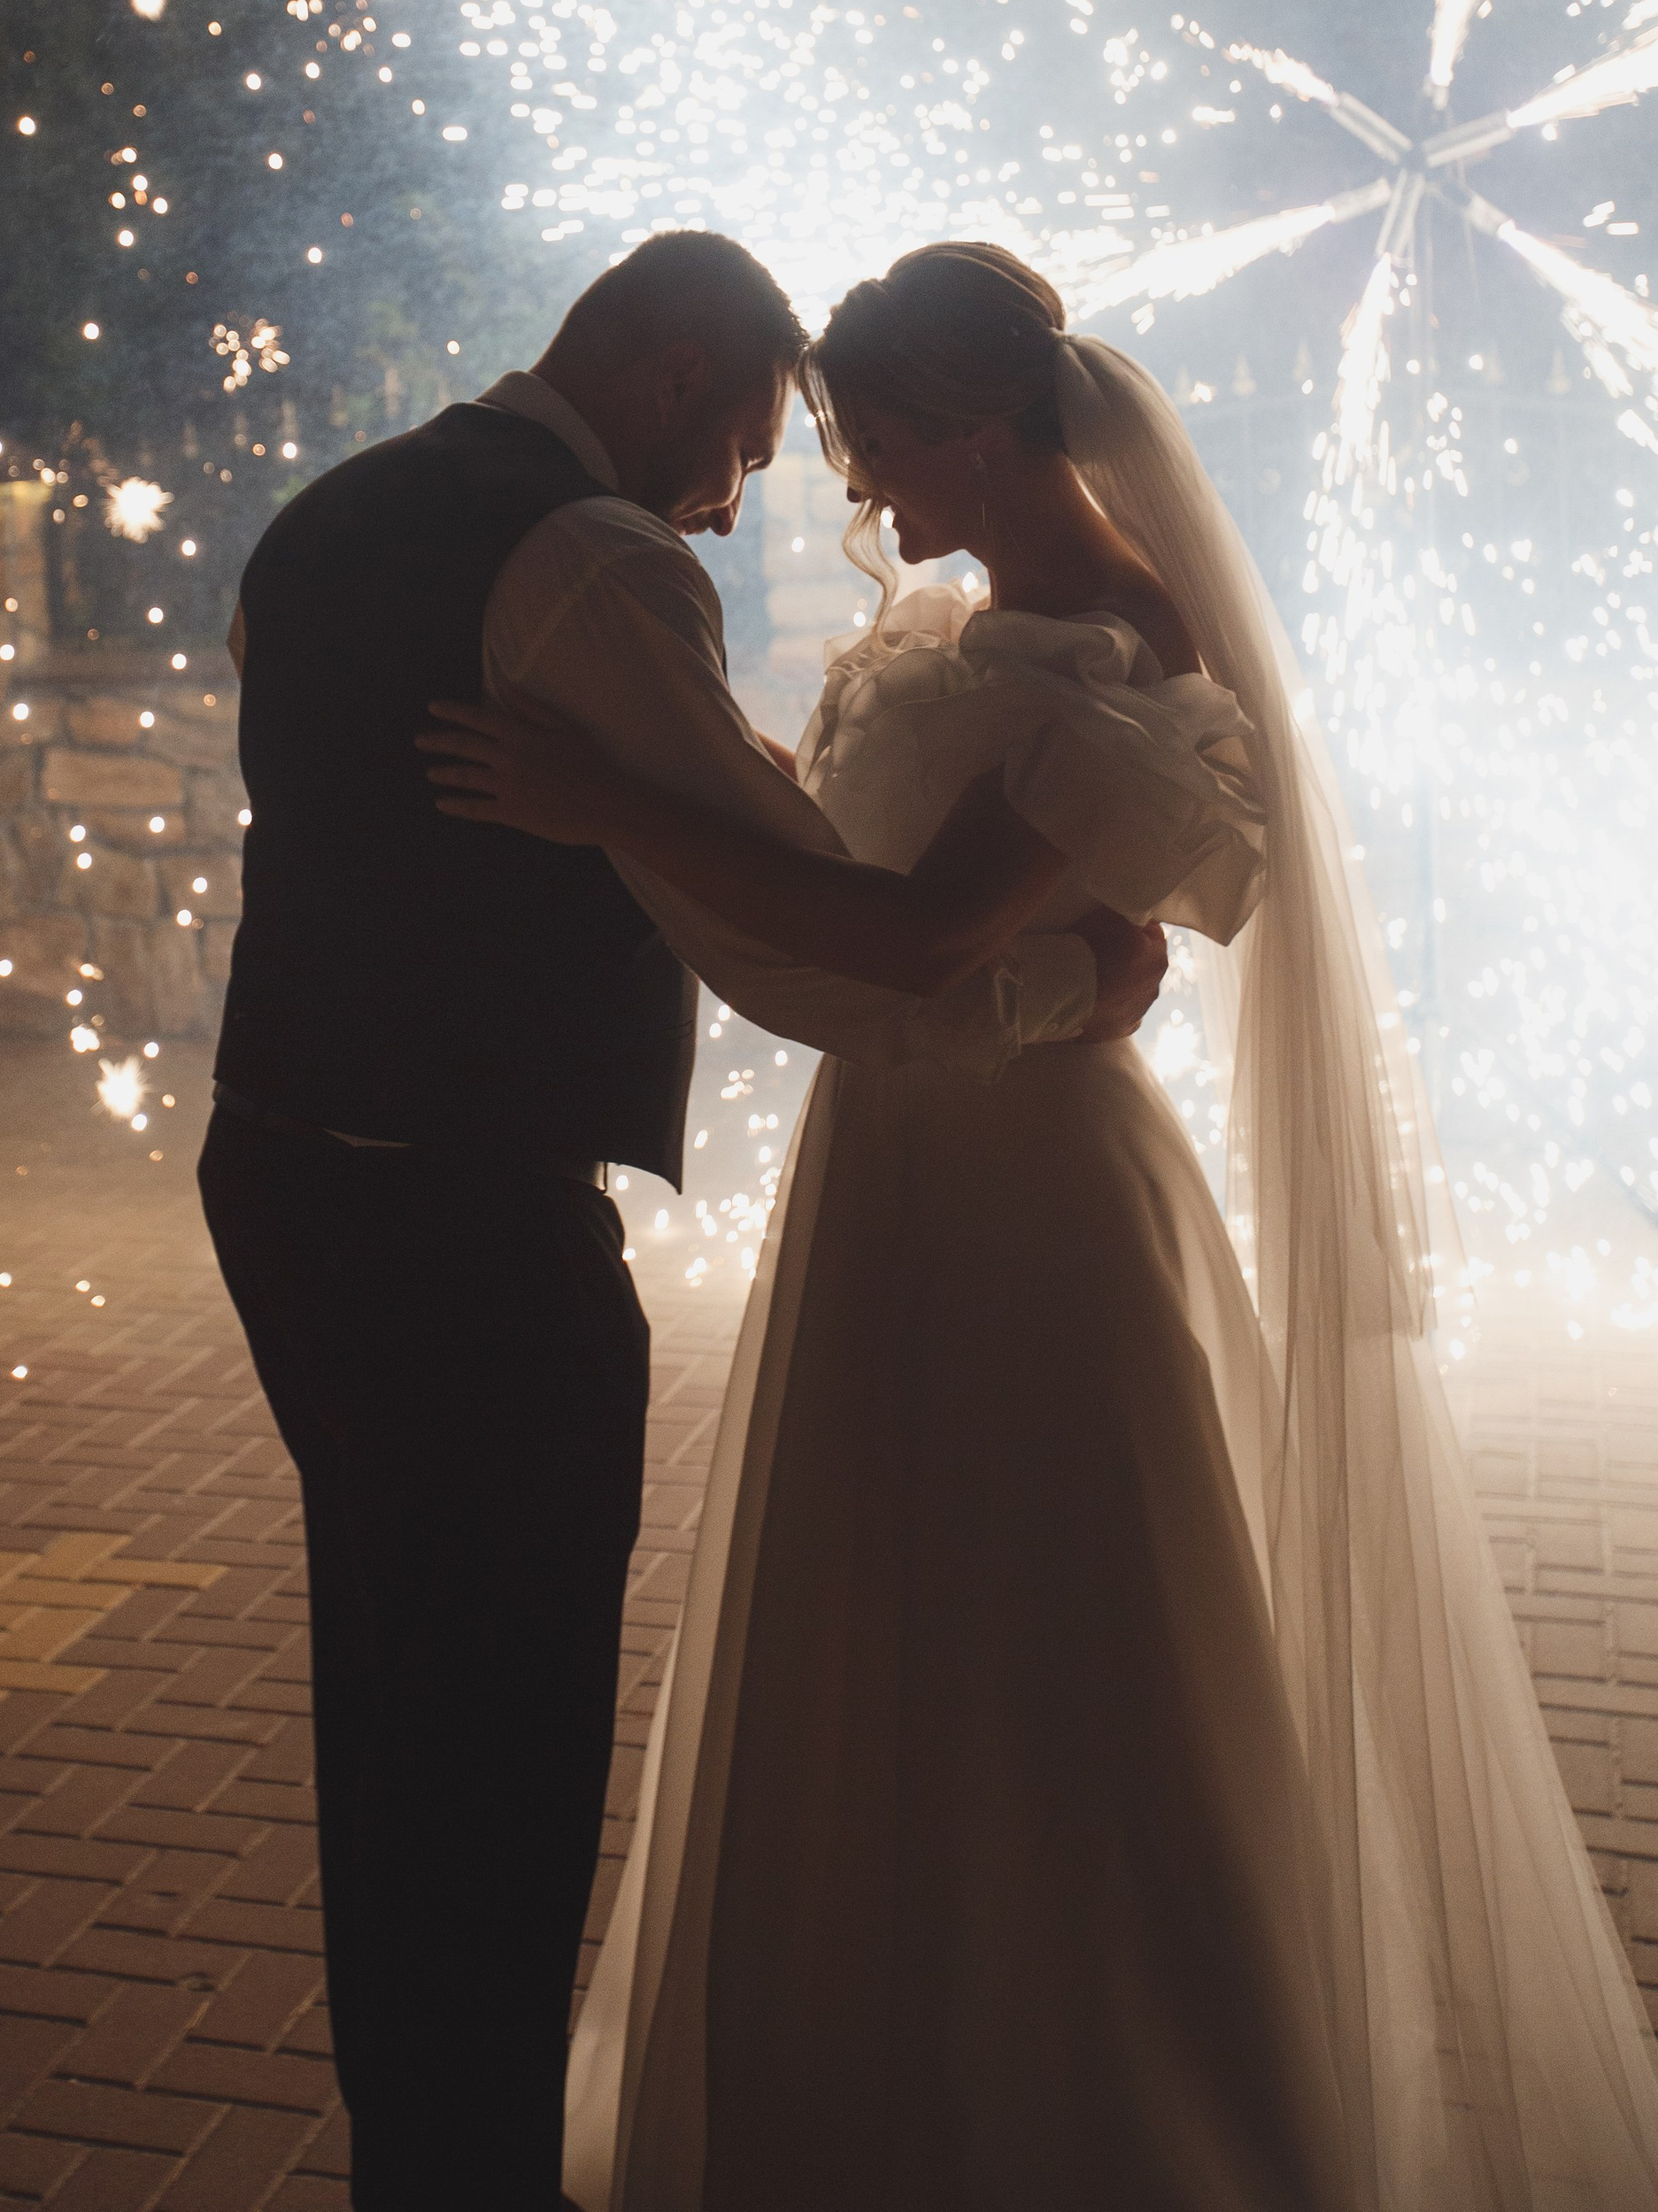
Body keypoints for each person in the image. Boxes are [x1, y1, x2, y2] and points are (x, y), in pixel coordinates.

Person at [425, 241, 1658, 2212]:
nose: (861, 502)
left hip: (1030, 1196)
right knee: (882, 1612)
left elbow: (911, 933)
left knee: (1053, 1635)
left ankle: (1128, 2112)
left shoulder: (1125, 661)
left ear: (978, 430)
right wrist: (683, 761)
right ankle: (870, 2098)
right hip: (898, 1159)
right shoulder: (959, 620)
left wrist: (607, 806)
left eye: (877, 451)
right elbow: (845, 860)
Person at [198, 229, 1169, 2212]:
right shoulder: (594, 558)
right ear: (656, 380)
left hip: (282, 1168)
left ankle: (417, 2144)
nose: (748, 499)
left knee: (385, 1700)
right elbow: (781, 925)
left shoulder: (330, 512)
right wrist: (1058, 988)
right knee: (503, 1726)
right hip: (468, 1225)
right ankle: (464, 2172)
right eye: (741, 442)